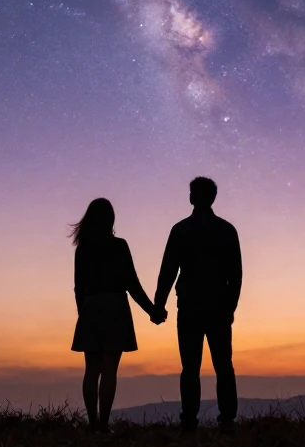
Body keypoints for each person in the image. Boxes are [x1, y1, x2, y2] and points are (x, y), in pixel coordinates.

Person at [70, 198, 167, 433]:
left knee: (91, 369)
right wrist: (153, 310)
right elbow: (132, 284)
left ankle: (93, 423)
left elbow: (78, 287)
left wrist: (83, 313)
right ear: (111, 219)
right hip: (115, 307)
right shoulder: (119, 246)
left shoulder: (83, 249)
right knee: (109, 369)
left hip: (91, 306)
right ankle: (103, 425)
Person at [154, 176, 242, 434]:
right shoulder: (226, 230)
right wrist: (230, 308)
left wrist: (159, 304)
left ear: (194, 197)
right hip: (217, 308)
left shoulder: (181, 230)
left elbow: (168, 270)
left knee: (190, 367)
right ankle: (227, 421)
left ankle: (189, 421)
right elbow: (236, 276)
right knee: (223, 366)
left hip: (191, 308)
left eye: (191, 192)